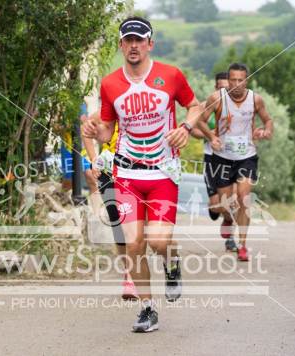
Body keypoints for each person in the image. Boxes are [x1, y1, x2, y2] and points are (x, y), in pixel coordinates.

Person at [82, 16, 199, 332]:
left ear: (150, 43)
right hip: (127, 174)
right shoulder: (109, 84)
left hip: (162, 174)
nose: (134, 46)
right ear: (121, 45)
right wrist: (97, 129)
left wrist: (186, 128)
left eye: (139, 40)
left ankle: (172, 264)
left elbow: (196, 106)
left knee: (159, 241)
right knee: (133, 243)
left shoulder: (170, 75)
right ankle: (148, 309)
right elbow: (107, 131)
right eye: (128, 40)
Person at [193, 63, 273, 262]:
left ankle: (243, 245)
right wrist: (211, 137)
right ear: (228, 81)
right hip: (222, 158)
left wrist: (266, 131)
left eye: (241, 80)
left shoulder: (256, 100)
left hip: (247, 156)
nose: (237, 84)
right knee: (227, 203)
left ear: (247, 80)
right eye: (233, 80)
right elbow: (201, 121)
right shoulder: (217, 99)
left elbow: (268, 120)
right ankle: (228, 218)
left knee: (244, 197)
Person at [81, 113, 137, 300]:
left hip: (134, 172)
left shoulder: (140, 114)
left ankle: (131, 277)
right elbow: (85, 131)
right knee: (118, 224)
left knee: (131, 224)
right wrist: (93, 158)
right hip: (108, 172)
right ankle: (127, 272)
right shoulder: (103, 115)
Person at [190, 72, 237, 252]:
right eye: (220, 87)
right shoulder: (206, 106)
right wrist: (210, 136)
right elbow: (192, 129)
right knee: (216, 204)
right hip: (211, 159)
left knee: (230, 201)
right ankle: (218, 212)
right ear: (215, 88)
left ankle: (230, 234)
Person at [59, 103, 98, 198]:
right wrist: (68, 126)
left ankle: (96, 210)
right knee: (69, 183)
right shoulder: (64, 103)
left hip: (83, 150)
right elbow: (56, 127)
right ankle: (63, 198)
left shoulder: (84, 103)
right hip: (69, 149)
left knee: (92, 179)